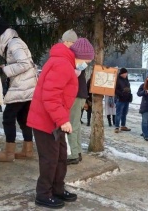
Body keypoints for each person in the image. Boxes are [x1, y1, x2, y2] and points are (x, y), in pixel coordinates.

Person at [26, 38, 91, 208]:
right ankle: (43, 194)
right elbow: (51, 96)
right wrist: (63, 120)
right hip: (45, 121)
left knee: (61, 156)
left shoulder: (65, 64)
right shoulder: (63, 65)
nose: (86, 65)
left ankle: (57, 189)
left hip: (53, 120)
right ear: (81, 57)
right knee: (50, 159)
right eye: (87, 62)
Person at [0, 17, 37, 162]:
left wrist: (5, 70)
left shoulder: (14, 44)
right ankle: (27, 150)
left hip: (22, 86)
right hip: (28, 85)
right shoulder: (15, 42)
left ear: (0, 34)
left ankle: (9, 153)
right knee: (24, 118)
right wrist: (2, 67)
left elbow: (25, 64)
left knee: (8, 117)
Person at [67, 38, 95, 165]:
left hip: (76, 94)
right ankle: (77, 151)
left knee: (72, 124)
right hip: (80, 94)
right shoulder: (80, 62)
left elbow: (70, 76)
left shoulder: (76, 62)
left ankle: (73, 154)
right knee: (76, 123)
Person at [114, 68, 132, 133]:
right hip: (120, 98)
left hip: (126, 99)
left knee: (124, 113)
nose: (126, 74)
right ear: (122, 73)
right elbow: (115, 89)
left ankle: (123, 125)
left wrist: (129, 95)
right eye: (125, 73)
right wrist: (121, 93)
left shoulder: (126, 80)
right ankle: (116, 126)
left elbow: (128, 88)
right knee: (118, 113)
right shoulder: (118, 80)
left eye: (126, 73)